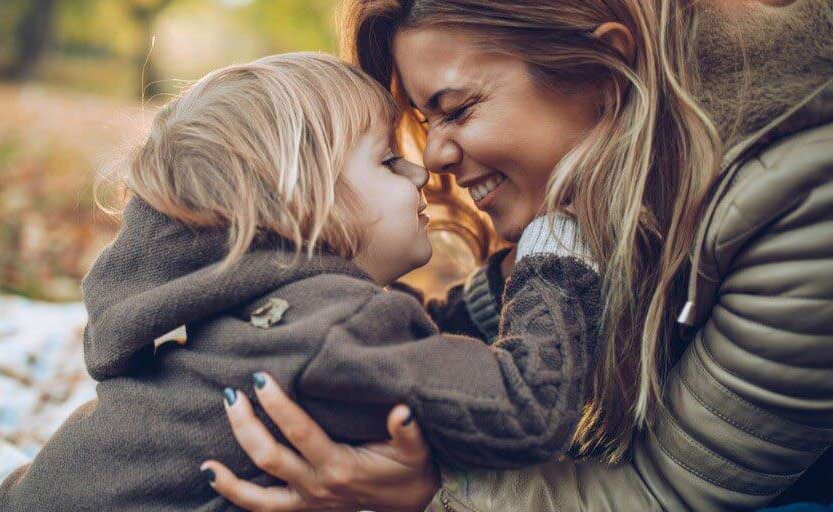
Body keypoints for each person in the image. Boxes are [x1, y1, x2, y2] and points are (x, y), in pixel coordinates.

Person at [204, 0, 833, 510]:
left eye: (456, 110)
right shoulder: (601, 192)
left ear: (600, 67)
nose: (433, 160)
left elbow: (669, 495)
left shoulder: (803, 196)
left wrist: (434, 492)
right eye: (426, 123)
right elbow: (467, 324)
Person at [0, 52, 609, 512]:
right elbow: (527, 408)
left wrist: (495, 292)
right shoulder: (333, 326)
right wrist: (553, 256)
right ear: (304, 207)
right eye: (387, 160)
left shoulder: (267, 316)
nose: (420, 174)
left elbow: (417, 354)